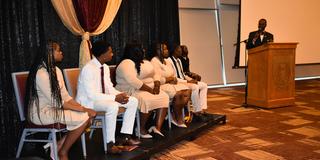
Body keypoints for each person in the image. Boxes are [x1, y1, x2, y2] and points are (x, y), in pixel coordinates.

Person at [25, 41, 97, 160]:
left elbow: (65, 96)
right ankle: (63, 152)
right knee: (84, 116)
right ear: (50, 53)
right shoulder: (41, 74)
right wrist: (84, 109)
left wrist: (83, 108)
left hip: (54, 108)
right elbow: (57, 103)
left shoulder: (56, 70)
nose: (61, 52)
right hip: (41, 113)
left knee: (88, 117)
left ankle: (58, 146)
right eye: (58, 50)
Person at [76, 41, 140, 155]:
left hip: (102, 99)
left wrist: (121, 95)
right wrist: (115, 98)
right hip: (89, 102)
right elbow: (91, 95)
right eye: (110, 52)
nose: (112, 54)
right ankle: (110, 143)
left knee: (133, 101)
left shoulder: (104, 67)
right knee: (112, 106)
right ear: (102, 54)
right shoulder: (88, 69)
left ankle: (125, 136)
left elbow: (109, 88)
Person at [116, 43, 170, 138]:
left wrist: (157, 84)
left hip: (146, 89)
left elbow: (155, 74)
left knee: (164, 96)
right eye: (142, 49)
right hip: (130, 90)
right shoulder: (126, 63)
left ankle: (157, 128)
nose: (144, 51)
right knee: (147, 99)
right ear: (135, 51)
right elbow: (133, 81)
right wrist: (150, 90)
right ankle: (140, 129)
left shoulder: (145, 62)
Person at [150, 43, 191, 127]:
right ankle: (177, 118)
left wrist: (172, 79)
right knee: (179, 94)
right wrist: (170, 79)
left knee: (188, 91)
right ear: (158, 51)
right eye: (164, 49)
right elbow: (157, 80)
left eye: (167, 49)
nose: (167, 51)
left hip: (171, 83)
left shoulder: (167, 61)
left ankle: (173, 113)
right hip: (162, 86)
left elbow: (172, 75)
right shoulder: (154, 61)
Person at [167, 44, 208, 122]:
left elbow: (182, 74)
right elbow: (175, 78)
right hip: (178, 83)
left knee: (204, 85)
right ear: (175, 51)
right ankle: (196, 111)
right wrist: (188, 81)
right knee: (195, 87)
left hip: (184, 81)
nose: (181, 51)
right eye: (179, 50)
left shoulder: (179, 60)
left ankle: (202, 109)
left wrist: (191, 79)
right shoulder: (169, 61)